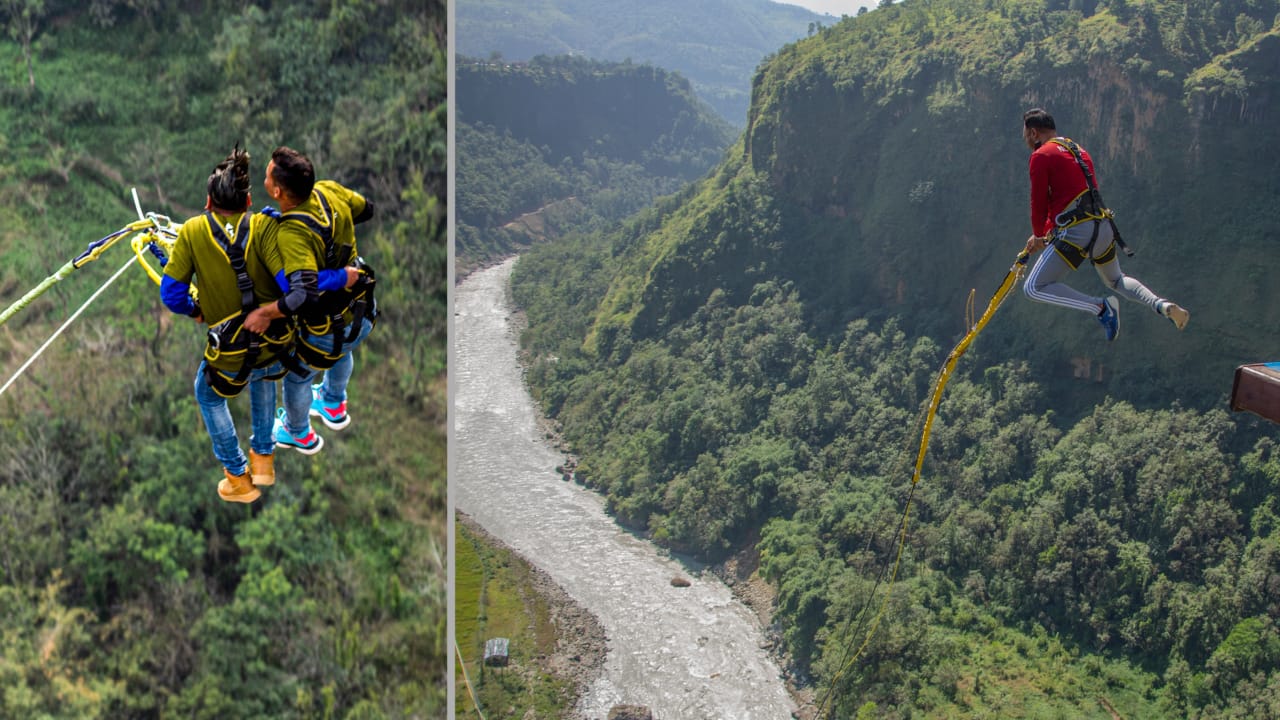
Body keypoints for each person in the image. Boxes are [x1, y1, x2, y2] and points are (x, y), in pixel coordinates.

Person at [161, 146, 294, 503]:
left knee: (207, 393)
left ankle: (238, 476)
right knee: (264, 375)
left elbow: (172, 294)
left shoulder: (191, 233)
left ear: (208, 202)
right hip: (274, 339)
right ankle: (263, 461)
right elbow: (289, 286)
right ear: (249, 199)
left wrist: (197, 310)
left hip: (230, 352)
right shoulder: (265, 226)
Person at [243, 146, 375, 453]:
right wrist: (334, 245)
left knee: (298, 376)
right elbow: (366, 209)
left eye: (265, 174)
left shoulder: (292, 234)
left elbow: (301, 294)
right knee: (343, 350)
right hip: (360, 311)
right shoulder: (329, 191)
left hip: (325, 328)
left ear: (277, 190)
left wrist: (265, 314)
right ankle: (333, 402)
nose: (262, 177)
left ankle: (298, 432)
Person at [1020, 108, 1189, 341]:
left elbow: (1038, 202)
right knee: (1116, 280)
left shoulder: (1041, 156)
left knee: (1033, 287)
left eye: (1025, 134)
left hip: (1077, 231)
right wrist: (1045, 232)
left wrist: (1039, 234)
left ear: (1033, 132)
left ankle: (1100, 308)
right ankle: (1160, 304)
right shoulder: (1077, 149)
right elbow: (1070, 195)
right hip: (1102, 226)